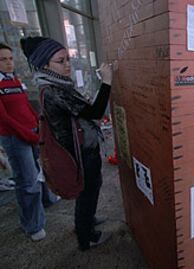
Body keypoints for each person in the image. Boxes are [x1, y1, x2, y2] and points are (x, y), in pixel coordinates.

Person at [20, 36, 113, 251]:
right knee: (87, 193)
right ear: (45, 64)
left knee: (91, 190)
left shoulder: (58, 84)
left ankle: (87, 221)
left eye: (67, 60)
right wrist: (107, 81)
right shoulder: (53, 90)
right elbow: (95, 112)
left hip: (80, 149)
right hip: (78, 154)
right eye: (60, 61)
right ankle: (86, 236)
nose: (67, 65)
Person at [0, 42, 46, 241]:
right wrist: (29, 135)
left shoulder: (14, 80)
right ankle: (32, 225)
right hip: (15, 138)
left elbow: (26, 105)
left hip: (31, 132)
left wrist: (38, 123)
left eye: (10, 58)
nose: (9, 63)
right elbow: (5, 119)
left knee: (41, 172)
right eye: (3, 59)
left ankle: (48, 200)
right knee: (27, 182)